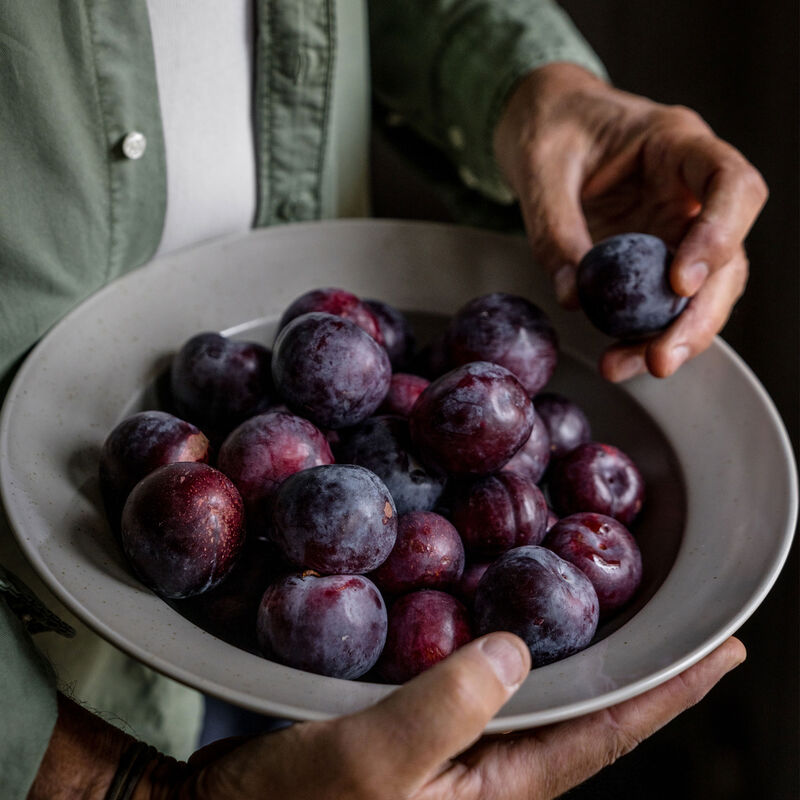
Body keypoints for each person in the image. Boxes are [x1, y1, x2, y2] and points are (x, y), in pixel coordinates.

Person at [0, 1, 766, 798]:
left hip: (296, 656)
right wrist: (106, 785)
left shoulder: (393, 455)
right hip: (51, 651)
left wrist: (527, 86)